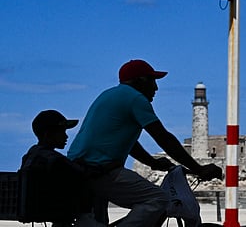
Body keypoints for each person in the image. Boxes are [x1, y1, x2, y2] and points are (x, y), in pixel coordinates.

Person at [67, 59, 222, 227]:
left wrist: (152, 162)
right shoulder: (135, 99)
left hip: (79, 169)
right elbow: (163, 138)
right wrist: (198, 168)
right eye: (152, 80)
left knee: (98, 221)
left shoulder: (109, 95)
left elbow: (129, 143)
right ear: (140, 80)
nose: (156, 87)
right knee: (158, 199)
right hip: (101, 170)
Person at [19, 110, 99, 226]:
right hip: (61, 210)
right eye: (62, 131)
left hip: (45, 208)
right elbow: (84, 173)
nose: (66, 136)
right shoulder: (54, 159)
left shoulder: (30, 155)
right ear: (48, 134)